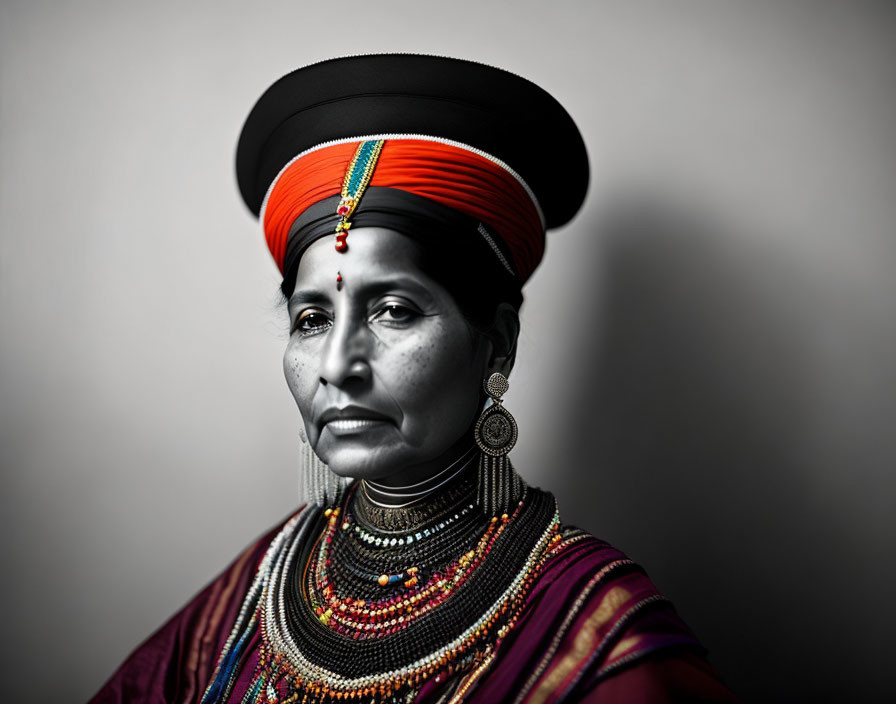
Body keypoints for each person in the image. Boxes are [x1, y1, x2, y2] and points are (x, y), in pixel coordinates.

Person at [90, 54, 737, 703]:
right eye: (311, 318)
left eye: (394, 310)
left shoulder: (594, 629)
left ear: (498, 344)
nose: (338, 363)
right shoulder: (257, 589)